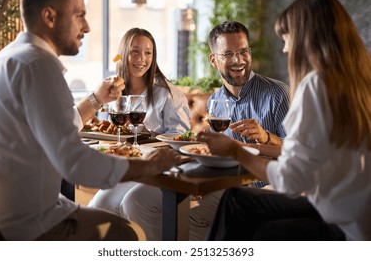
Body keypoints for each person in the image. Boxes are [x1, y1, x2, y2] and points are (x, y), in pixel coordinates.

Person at [0, 0, 182, 241]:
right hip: (28, 223)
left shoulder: (0, 61)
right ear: (50, 16)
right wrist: (144, 167)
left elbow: (60, 127)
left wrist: (97, 99)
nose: (86, 26)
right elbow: (75, 163)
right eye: (80, 15)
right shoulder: (38, 65)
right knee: (126, 234)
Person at [198, 0, 371, 241]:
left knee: (240, 211)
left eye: (287, 38)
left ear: (306, 37)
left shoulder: (315, 86)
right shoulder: (358, 81)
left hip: (339, 222)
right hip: (357, 215)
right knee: (236, 201)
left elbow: (291, 179)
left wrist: (237, 151)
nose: (285, 48)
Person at [117, 21, 291, 240]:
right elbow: (215, 152)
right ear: (213, 60)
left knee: (184, 226)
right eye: (228, 54)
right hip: (218, 181)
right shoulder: (215, 101)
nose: (238, 60)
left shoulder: (278, 94)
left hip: (259, 185)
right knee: (135, 201)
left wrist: (265, 138)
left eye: (243, 52)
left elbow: (298, 155)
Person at [87, 28, 191, 215]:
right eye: (135, 51)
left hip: (159, 171)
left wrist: (143, 132)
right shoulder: (113, 91)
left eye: (148, 53)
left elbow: (181, 141)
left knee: (127, 204)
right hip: (126, 168)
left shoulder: (168, 94)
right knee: (98, 206)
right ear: (123, 53)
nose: (141, 59)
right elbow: (110, 133)